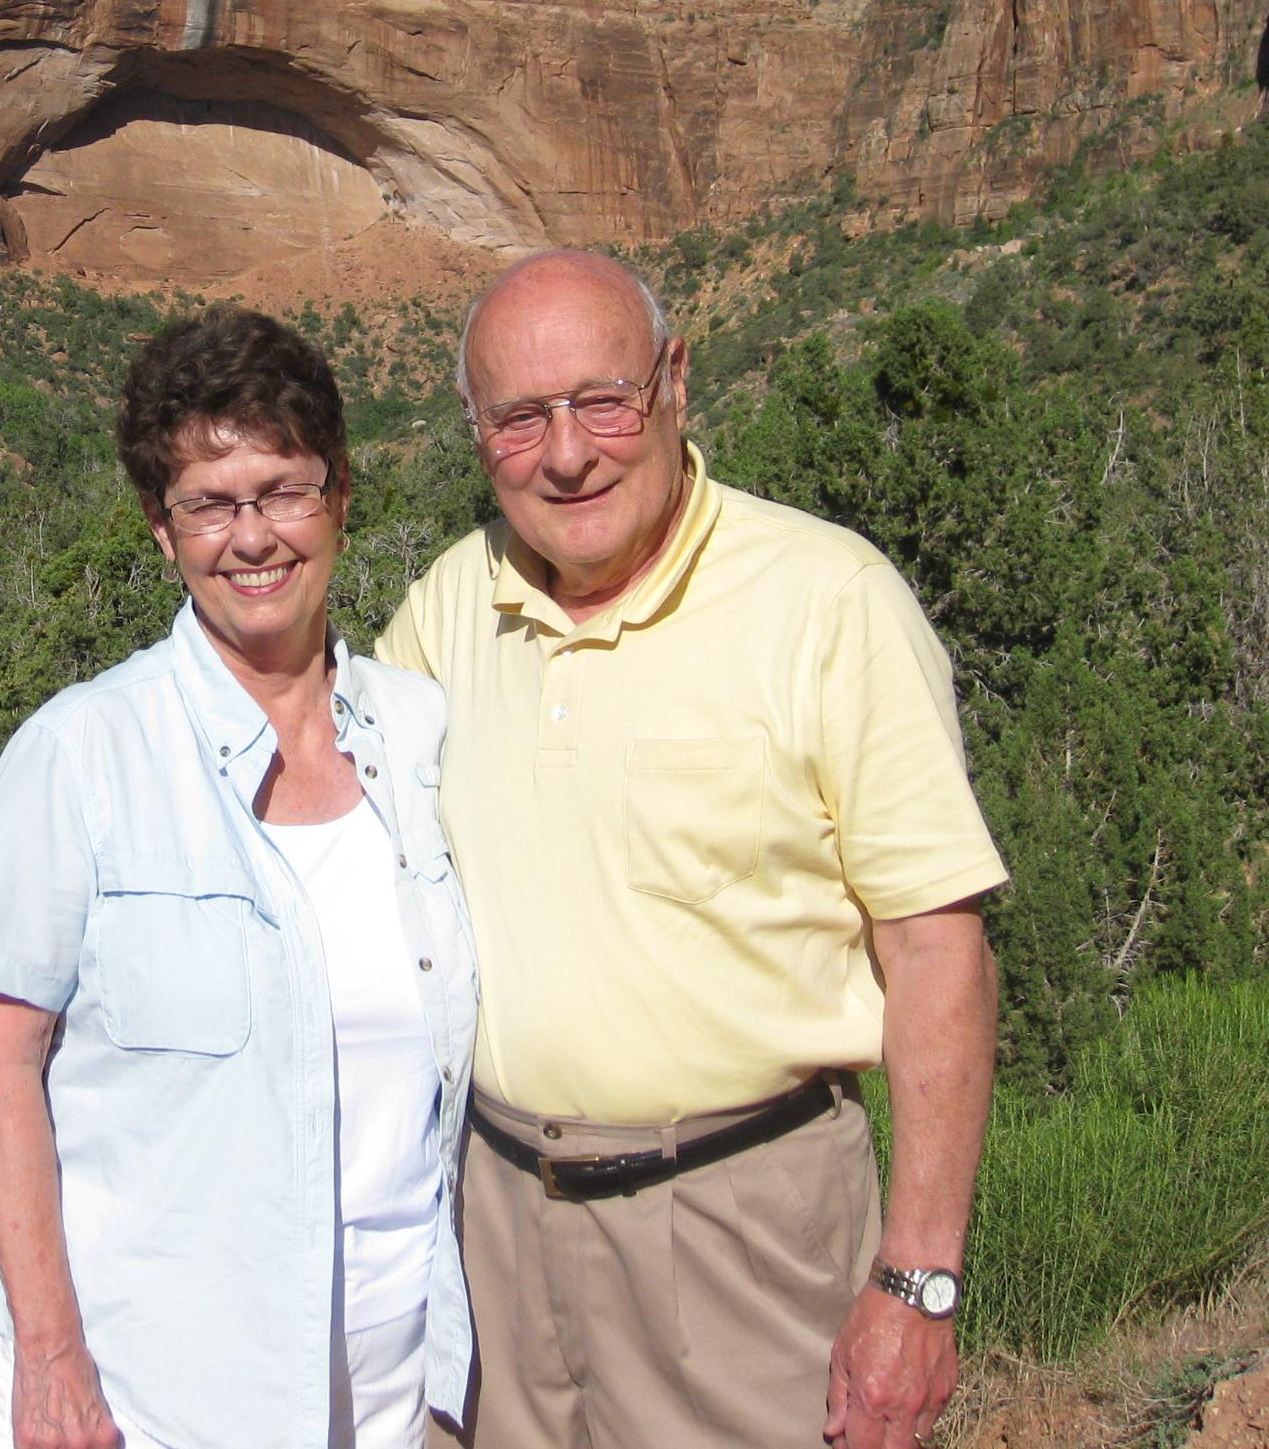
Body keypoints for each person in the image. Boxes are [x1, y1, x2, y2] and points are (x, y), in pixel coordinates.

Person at [377, 249, 1005, 1449]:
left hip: (741, 1226)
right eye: (519, 419)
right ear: (476, 438)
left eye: (601, 400)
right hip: (492, 1225)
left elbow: (936, 950)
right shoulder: (449, 609)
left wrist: (918, 1282)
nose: (567, 454)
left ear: (673, 384)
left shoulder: (828, 601)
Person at [0, 305, 479, 1449]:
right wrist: (52, 1362)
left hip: (393, 1379)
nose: (251, 534)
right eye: (209, 503)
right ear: (160, 531)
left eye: (282, 489)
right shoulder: (82, 751)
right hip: (151, 1387)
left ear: (339, 497)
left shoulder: (420, 738)